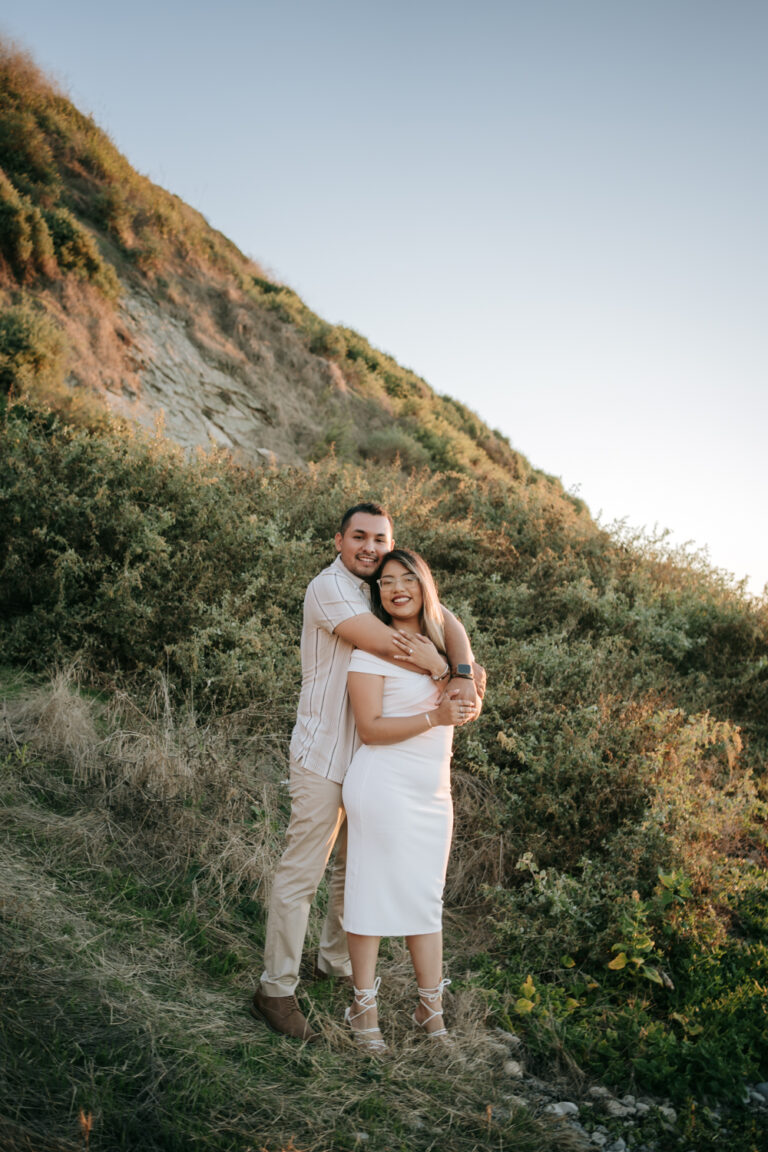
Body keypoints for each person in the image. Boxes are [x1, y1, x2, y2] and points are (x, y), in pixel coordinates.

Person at [251, 503, 484, 1040]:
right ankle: (276, 990)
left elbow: (442, 616)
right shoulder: (329, 586)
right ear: (340, 540)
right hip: (325, 752)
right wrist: (446, 670)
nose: (370, 548)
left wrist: (466, 671)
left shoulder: (383, 586)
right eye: (360, 537)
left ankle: (333, 967)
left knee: (349, 874)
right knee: (302, 873)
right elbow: (394, 643)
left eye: (380, 539)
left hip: (373, 760)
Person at [341, 549, 468, 1053]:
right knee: (369, 894)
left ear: (424, 585)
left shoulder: (444, 648)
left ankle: (429, 1014)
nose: (396, 587)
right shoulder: (371, 650)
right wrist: (435, 717)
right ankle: (362, 1009)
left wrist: (447, 671)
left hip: (433, 790)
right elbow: (370, 730)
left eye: (407, 578)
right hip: (382, 782)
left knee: (424, 901)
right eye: (386, 580)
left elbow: (467, 705)